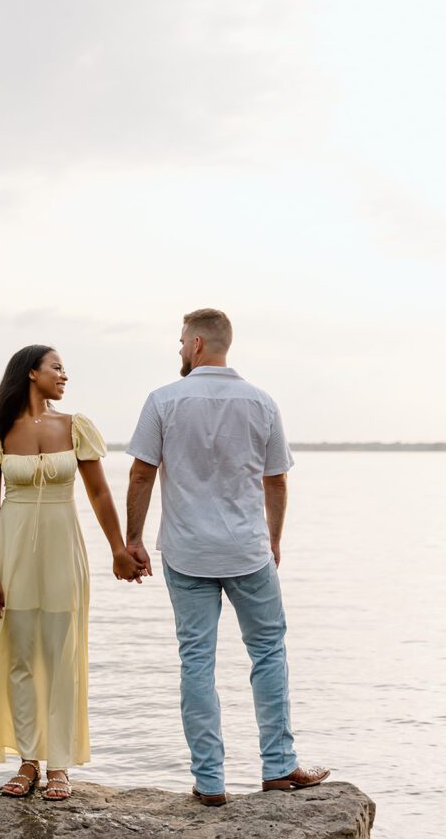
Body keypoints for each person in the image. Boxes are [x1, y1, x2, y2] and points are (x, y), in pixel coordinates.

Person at [124, 309, 329, 805]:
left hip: (187, 552)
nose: (177, 350)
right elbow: (276, 479)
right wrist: (273, 538)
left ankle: (210, 783)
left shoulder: (163, 400)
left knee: (196, 662)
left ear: (196, 345)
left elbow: (141, 476)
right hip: (248, 550)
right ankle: (279, 767)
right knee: (269, 653)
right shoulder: (261, 401)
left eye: (179, 342)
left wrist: (133, 539)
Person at [0, 344, 142, 801]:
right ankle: (28, 759)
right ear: (30, 374)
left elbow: (100, 494)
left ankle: (59, 764)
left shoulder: (74, 427)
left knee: (62, 655)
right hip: (14, 553)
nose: (64, 375)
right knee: (20, 656)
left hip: (65, 550)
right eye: (57, 367)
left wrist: (118, 550)